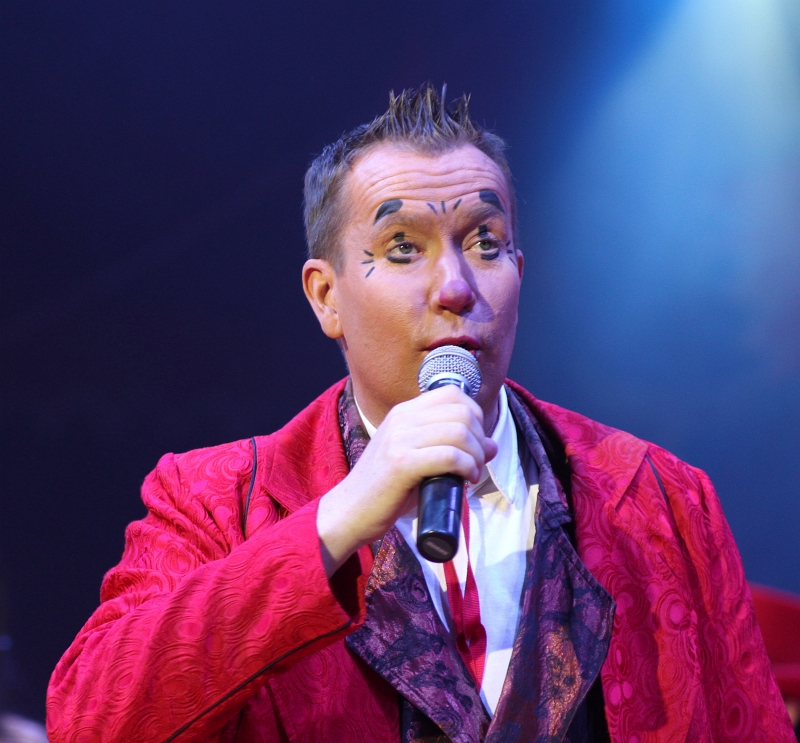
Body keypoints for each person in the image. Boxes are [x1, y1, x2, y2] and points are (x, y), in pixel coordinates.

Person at [46, 85, 795, 742]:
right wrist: (336, 520)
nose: (456, 286)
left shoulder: (661, 500)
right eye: (403, 248)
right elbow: (91, 721)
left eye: (486, 243)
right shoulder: (217, 501)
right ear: (326, 296)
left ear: (519, 272)